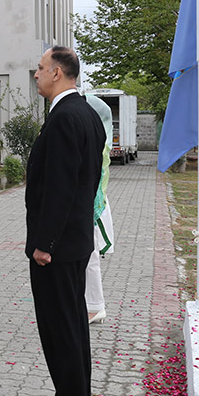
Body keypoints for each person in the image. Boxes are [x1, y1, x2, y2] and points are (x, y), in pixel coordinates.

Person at [23, 46, 105, 396]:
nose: (35, 74)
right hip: (74, 241)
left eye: (39, 68)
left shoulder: (65, 118)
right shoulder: (87, 113)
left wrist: (44, 244)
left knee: (61, 327)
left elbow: (61, 188)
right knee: (71, 324)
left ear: (57, 72)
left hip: (57, 248)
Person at [84, 94, 116, 325]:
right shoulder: (100, 142)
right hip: (92, 206)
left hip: (92, 208)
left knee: (89, 256)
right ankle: (90, 304)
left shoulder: (98, 145)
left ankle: (95, 306)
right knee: (87, 256)